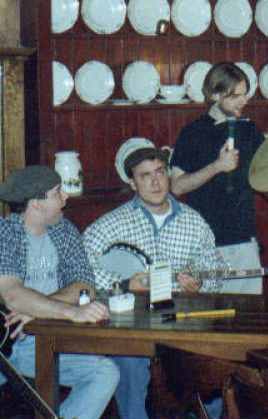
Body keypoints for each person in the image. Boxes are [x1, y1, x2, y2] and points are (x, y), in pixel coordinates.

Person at [84, 146, 226, 419]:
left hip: (181, 323)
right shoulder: (111, 223)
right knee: (129, 363)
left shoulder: (193, 221)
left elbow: (215, 269)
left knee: (213, 366)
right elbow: (82, 268)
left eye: (160, 172)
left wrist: (199, 285)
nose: (155, 182)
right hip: (131, 326)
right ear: (132, 183)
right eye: (145, 176)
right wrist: (125, 284)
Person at [0, 165, 119, 419]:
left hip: (50, 338)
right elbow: (12, 295)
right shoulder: (5, 233)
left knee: (105, 373)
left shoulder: (63, 230)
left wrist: (39, 311)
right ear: (37, 203)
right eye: (57, 192)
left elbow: (86, 286)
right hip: (9, 345)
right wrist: (70, 312)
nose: (65, 197)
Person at [169, 61, 265, 294]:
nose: (244, 102)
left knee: (249, 311)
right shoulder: (193, 133)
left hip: (244, 241)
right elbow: (177, 187)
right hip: (204, 244)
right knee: (208, 312)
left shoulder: (250, 130)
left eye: (245, 95)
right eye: (235, 96)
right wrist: (216, 167)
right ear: (214, 95)